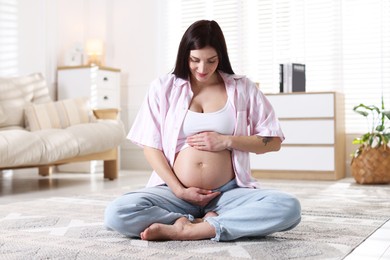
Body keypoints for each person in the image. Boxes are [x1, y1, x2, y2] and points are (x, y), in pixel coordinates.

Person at [104, 20, 301, 241]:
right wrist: (179, 190)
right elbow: (151, 146)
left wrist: (227, 141)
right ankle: (197, 220)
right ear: (184, 56)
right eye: (195, 60)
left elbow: (273, 141)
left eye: (211, 61)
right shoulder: (163, 87)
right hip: (174, 194)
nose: (202, 69)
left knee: (289, 207)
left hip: (227, 194)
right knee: (116, 213)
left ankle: (193, 229)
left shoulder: (243, 88)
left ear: (221, 56)